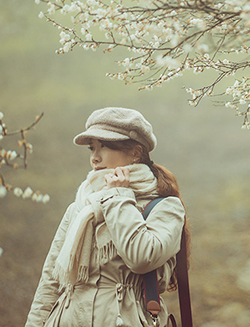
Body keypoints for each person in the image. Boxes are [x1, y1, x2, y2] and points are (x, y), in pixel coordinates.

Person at [25, 107, 189, 327]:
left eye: (104, 147)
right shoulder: (80, 206)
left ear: (136, 152)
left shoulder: (166, 206)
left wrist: (119, 197)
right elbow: (50, 281)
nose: (95, 157)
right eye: (92, 148)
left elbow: (142, 258)